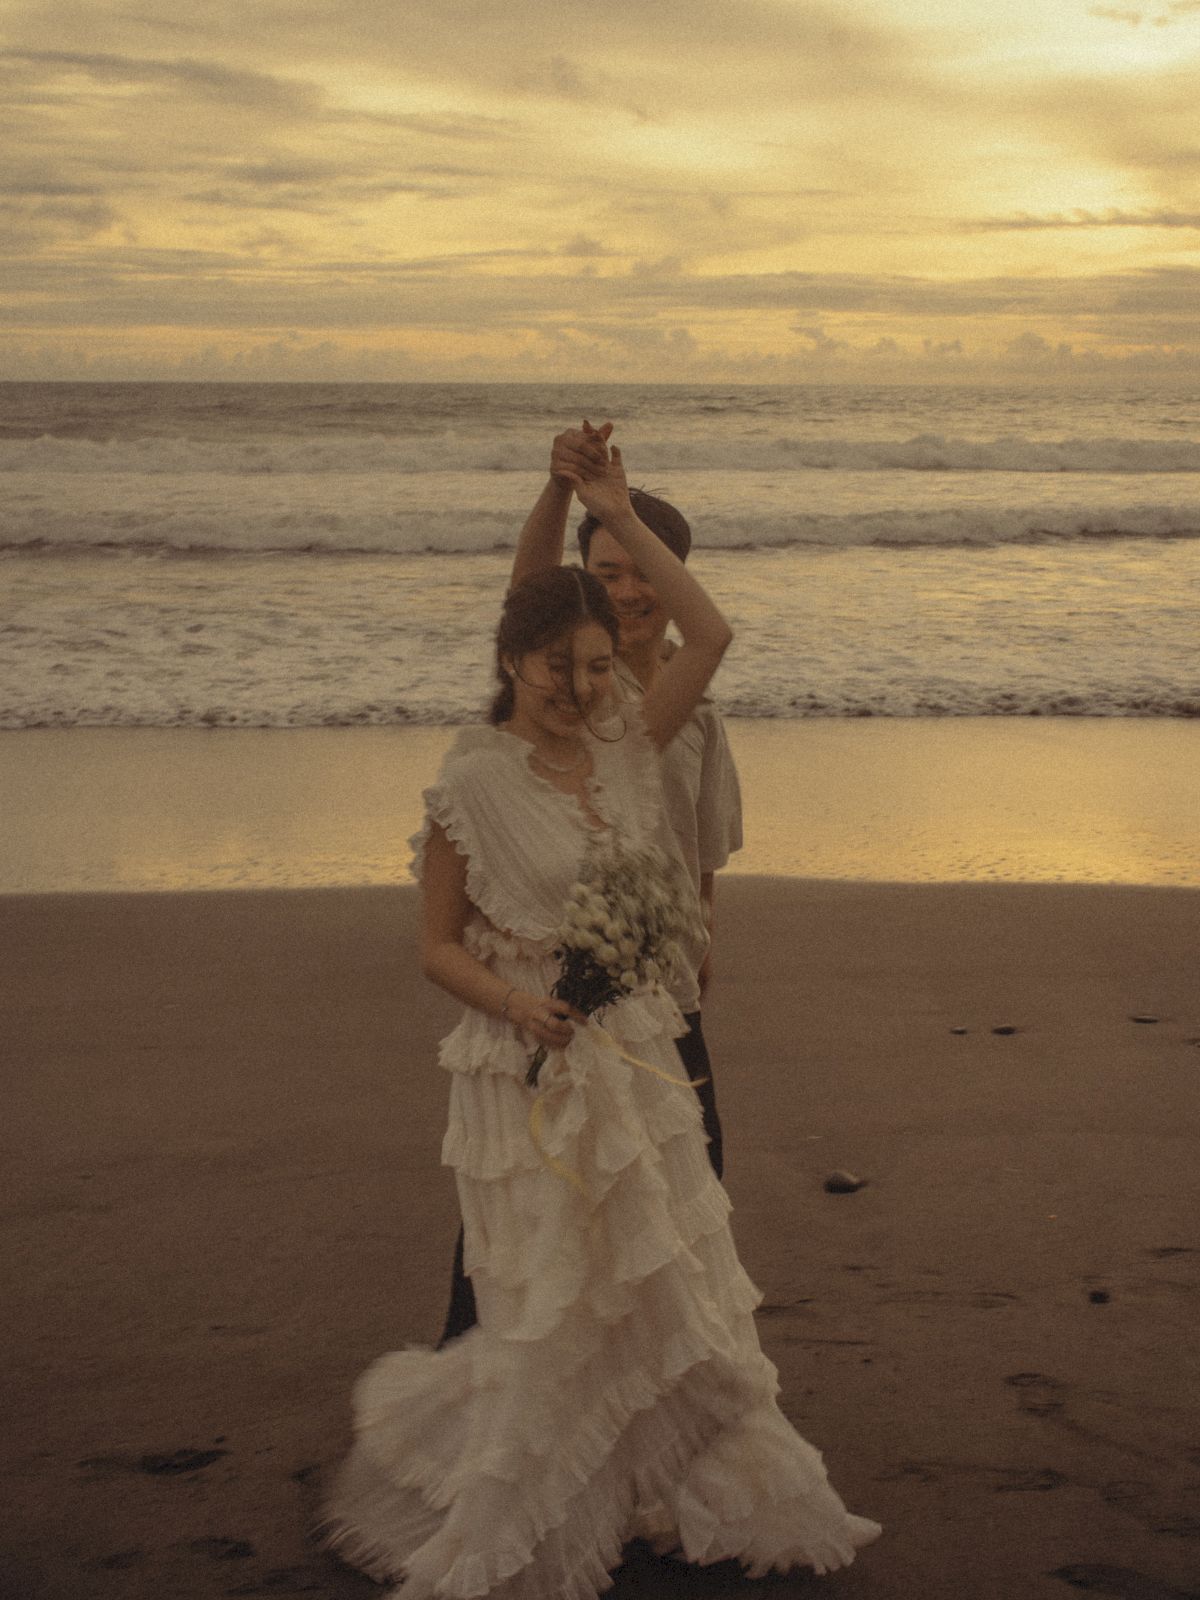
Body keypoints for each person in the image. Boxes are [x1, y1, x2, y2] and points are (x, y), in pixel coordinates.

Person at [319, 437, 880, 1596]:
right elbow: (436, 943)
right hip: (528, 1052)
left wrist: (616, 507)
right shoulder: (477, 773)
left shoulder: (633, 737)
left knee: (664, 1267)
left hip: (640, 1033)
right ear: (518, 658)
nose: (579, 684)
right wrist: (561, 495)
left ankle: (660, 1464)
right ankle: (517, 1466)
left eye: (592, 665)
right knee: (546, 1279)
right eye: (558, 664)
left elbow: (709, 636)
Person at [436, 423, 741, 1347]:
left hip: (656, 990)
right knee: (531, 1215)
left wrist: (699, 935)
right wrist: (568, 490)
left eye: (644, 574)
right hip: (551, 1000)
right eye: (608, 574)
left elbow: (701, 853)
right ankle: (489, 1370)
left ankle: (667, 1373)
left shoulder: (664, 723)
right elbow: (527, 601)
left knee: (679, 1193)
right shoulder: (550, 727)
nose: (630, 591)